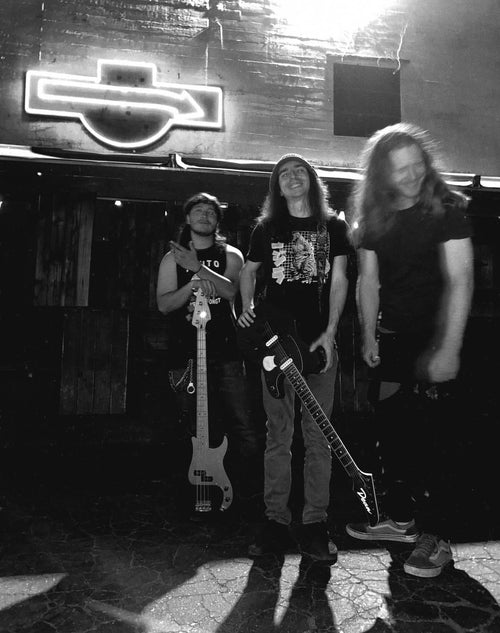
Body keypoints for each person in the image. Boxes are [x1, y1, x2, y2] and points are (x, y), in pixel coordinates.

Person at [346, 123, 474, 578]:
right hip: (395, 341)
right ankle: (401, 522)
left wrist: (449, 348)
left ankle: (437, 538)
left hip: (438, 338)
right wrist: (369, 336)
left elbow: (461, 280)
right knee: (392, 436)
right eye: (401, 169)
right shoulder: (375, 219)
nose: (413, 175)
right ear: (383, 174)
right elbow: (368, 282)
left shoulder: (447, 210)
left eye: (418, 165)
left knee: (435, 444)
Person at [237, 154, 352, 561]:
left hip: (318, 345)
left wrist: (330, 333)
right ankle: (275, 522)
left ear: (312, 180)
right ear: (277, 187)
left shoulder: (334, 227)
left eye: (299, 170)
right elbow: (248, 271)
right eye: (283, 173)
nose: (291, 177)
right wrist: (246, 307)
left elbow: (340, 279)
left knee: (319, 436)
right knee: (278, 435)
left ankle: (315, 523)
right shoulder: (267, 228)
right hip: (276, 345)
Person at [156, 192, 260, 516]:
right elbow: (164, 304)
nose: (204, 215)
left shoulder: (231, 255)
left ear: (217, 221)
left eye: (211, 212)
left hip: (227, 353)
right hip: (184, 354)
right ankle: (190, 495)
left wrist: (197, 268)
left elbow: (233, 292)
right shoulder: (171, 259)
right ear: (187, 219)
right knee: (189, 426)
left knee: (242, 425)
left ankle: (247, 496)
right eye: (198, 211)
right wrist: (192, 284)